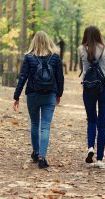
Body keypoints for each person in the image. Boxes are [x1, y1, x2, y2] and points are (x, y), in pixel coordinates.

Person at [13, 31, 64, 169]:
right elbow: (60, 78)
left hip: (32, 95)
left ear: (34, 42)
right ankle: (42, 157)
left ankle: (35, 152)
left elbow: (22, 77)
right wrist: (58, 94)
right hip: (49, 95)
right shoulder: (55, 58)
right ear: (48, 41)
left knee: (35, 124)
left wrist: (16, 96)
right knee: (45, 126)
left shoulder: (29, 57)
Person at [78, 26, 105, 168]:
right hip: (104, 88)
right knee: (102, 124)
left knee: (91, 120)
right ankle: (100, 159)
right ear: (99, 35)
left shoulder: (81, 49)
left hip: (88, 88)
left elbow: (82, 70)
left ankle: (90, 147)